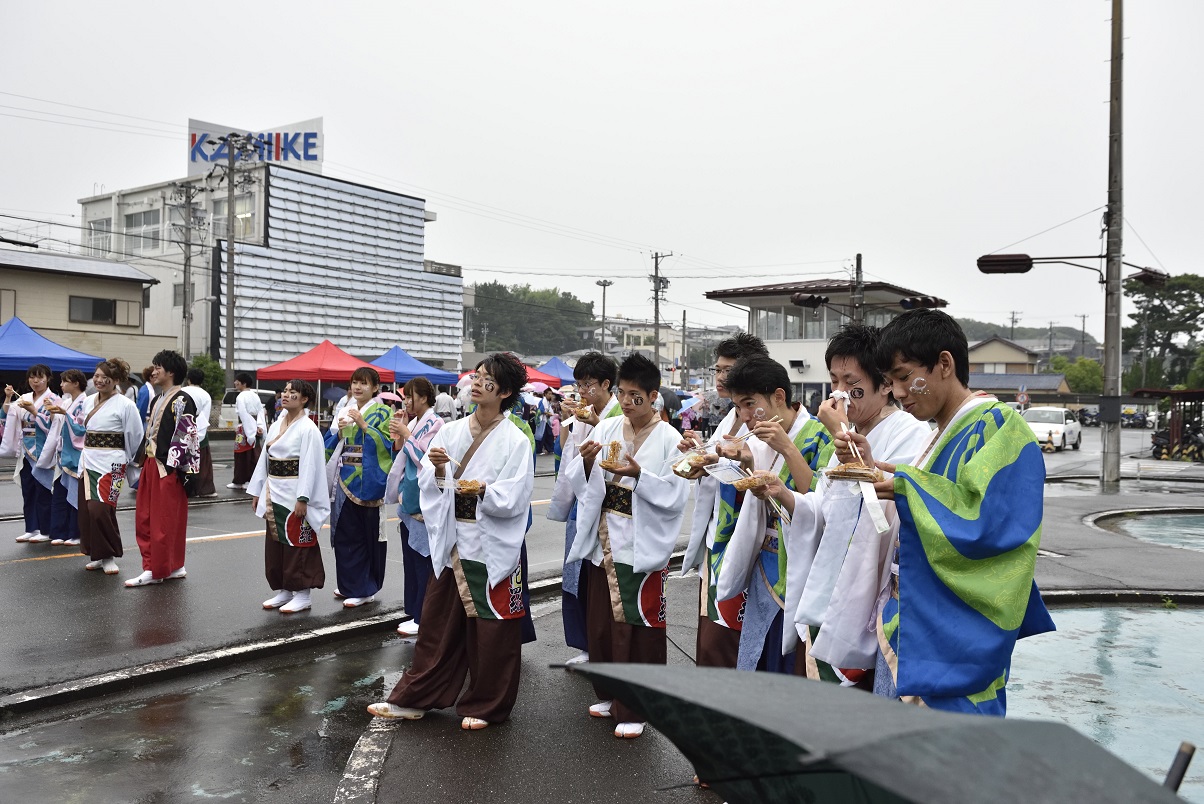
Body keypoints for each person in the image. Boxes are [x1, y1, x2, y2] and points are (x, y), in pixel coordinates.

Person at [844, 309, 1055, 714]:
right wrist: (887, 474)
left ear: (944, 363)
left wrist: (906, 487)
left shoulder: (1000, 425)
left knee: (950, 754)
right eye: (892, 382)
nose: (901, 393)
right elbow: (944, 494)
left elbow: (991, 525)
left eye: (905, 377)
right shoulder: (942, 430)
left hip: (952, 626)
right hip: (920, 616)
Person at [368, 353, 534, 730]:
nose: (476, 383)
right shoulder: (452, 431)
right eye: (476, 376)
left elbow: (515, 497)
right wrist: (441, 469)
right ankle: (415, 698)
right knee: (436, 626)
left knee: (493, 631)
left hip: (491, 544)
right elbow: (429, 477)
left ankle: (488, 704)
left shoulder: (515, 441)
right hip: (455, 540)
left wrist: (484, 490)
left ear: (505, 391)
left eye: (487, 380)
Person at [771, 324, 931, 687]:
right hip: (828, 582)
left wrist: (843, 434)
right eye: (834, 380)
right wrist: (782, 492)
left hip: (865, 587)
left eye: (851, 382)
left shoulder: (909, 432)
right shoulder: (846, 432)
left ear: (885, 384)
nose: (841, 393)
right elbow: (824, 509)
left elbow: (887, 511)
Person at [564, 353, 689, 739]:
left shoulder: (670, 438)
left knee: (640, 625)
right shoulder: (608, 427)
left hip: (642, 541)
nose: (628, 402)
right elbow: (579, 480)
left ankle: (638, 704)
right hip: (605, 537)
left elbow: (675, 494)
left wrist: (639, 474)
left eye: (636, 396)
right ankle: (609, 692)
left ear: (654, 397)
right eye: (623, 394)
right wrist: (585, 462)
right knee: (600, 624)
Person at [714, 355, 831, 675]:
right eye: (738, 407)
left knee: (793, 658)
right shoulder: (759, 437)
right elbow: (759, 493)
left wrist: (788, 449)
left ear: (779, 396)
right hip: (764, 561)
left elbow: (823, 503)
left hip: (801, 563)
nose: (746, 416)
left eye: (750, 404)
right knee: (758, 651)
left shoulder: (821, 435)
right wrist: (743, 464)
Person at [678, 333, 768, 668]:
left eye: (727, 370)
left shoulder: (764, 422)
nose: (720, 377)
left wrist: (715, 463)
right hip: (719, 537)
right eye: (717, 369)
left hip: (744, 542)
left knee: (730, 632)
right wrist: (699, 457)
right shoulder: (730, 418)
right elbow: (718, 467)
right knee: (712, 624)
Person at [547, 351, 622, 666]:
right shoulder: (584, 411)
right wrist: (568, 420)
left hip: (607, 505)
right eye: (578, 384)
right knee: (575, 573)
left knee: (600, 579)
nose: (581, 391)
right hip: (580, 500)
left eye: (588, 384)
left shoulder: (619, 413)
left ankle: (603, 646)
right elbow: (564, 453)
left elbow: (621, 457)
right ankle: (585, 643)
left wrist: (598, 423)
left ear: (606, 384)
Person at [248, 379, 331, 614]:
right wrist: (257, 489)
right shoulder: (276, 424)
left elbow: (311, 465)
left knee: (298, 541)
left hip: (295, 491)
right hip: (274, 489)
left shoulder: (309, 429)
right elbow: (266, 458)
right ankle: (283, 588)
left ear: (304, 399)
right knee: (275, 541)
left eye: (292, 392)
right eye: (284, 391)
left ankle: (303, 593)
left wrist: (303, 497)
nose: (285, 395)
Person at [127, 350, 200, 587]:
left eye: (158, 367)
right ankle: (170, 565)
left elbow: (187, 437)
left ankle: (156, 569)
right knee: (149, 518)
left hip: (167, 468)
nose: (153, 371)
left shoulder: (183, 399)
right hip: (152, 464)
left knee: (162, 521)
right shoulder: (159, 399)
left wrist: (174, 469)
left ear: (171, 372)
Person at [324, 366, 393, 608]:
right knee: (344, 533)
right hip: (344, 476)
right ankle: (349, 584)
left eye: (364, 383)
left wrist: (364, 426)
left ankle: (365, 588)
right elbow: (331, 441)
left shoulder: (383, 411)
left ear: (375, 387)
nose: (358, 387)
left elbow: (388, 444)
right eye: (355, 382)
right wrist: (340, 432)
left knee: (367, 536)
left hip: (369, 479)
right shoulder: (343, 409)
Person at [384, 376, 443, 636]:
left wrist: (407, 435)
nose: (406, 401)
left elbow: (426, 461)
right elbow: (402, 453)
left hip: (423, 500)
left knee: (423, 561)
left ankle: (423, 616)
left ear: (424, 397)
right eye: (405, 396)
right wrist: (401, 434)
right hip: (410, 498)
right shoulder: (417, 421)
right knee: (411, 560)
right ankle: (414, 610)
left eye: (410, 396)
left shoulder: (436, 422)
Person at [78, 359, 144, 575]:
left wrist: (128, 462)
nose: (99, 380)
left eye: (105, 377)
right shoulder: (88, 401)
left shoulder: (126, 405)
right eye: (96, 376)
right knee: (88, 511)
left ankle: (109, 555)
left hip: (113, 464)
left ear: (116, 380)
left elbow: (135, 437)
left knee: (103, 510)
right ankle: (97, 554)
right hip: (88, 461)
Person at [1, 364, 60, 543]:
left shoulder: (54, 399)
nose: (35, 381)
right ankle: (31, 528)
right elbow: (7, 414)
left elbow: (55, 425)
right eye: (32, 377)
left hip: (44, 449)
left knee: (43, 490)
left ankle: (46, 529)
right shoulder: (24, 397)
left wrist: (34, 412)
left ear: (48, 378)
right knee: (28, 490)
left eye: (39, 377)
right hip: (26, 449)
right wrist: (8, 397)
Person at [41, 369, 88, 547]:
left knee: (75, 494)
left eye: (64, 381)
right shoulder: (67, 401)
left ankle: (75, 533)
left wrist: (64, 414)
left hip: (76, 454)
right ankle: (58, 531)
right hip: (64, 452)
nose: (61, 384)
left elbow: (83, 429)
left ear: (75, 383)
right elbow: (55, 424)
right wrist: (53, 412)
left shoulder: (85, 402)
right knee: (60, 493)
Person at [183, 368, 217, 499]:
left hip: (183, 428)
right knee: (202, 463)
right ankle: (203, 489)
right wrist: (200, 435)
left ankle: (186, 489)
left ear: (189, 379)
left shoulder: (182, 391)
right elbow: (205, 416)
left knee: (183, 460)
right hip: (199, 429)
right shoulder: (205, 395)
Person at [229, 373, 265, 490]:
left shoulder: (241, 397)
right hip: (253, 427)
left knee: (243, 456)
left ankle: (245, 480)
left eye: (237, 381)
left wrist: (250, 432)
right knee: (252, 455)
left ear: (243, 383)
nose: (235, 383)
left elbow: (244, 415)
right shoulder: (255, 396)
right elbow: (260, 412)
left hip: (246, 427)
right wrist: (260, 426)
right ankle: (243, 480)